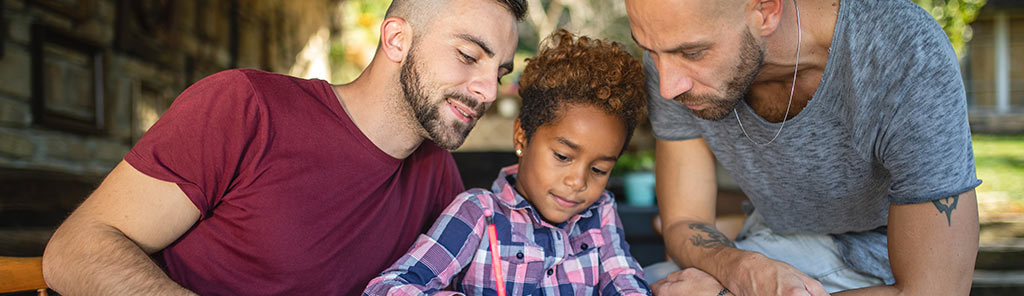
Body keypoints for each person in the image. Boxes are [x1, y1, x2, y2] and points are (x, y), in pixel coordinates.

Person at [41, 0, 526, 294]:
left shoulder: (437, 173)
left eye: (499, 71)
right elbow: (73, 251)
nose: (488, 90)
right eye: (468, 56)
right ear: (396, 38)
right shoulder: (244, 105)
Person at [625, 0, 980, 295]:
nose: (668, 85)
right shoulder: (669, 57)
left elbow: (938, 289)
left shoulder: (903, 53)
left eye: (693, 52)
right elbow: (684, 221)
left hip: (875, 268)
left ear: (766, 10)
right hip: (764, 244)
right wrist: (742, 270)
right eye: (649, 49)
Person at [362, 30, 651, 295]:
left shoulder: (600, 214)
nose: (578, 181)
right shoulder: (478, 214)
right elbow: (387, 287)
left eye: (599, 169)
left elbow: (625, 280)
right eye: (563, 157)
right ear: (522, 137)